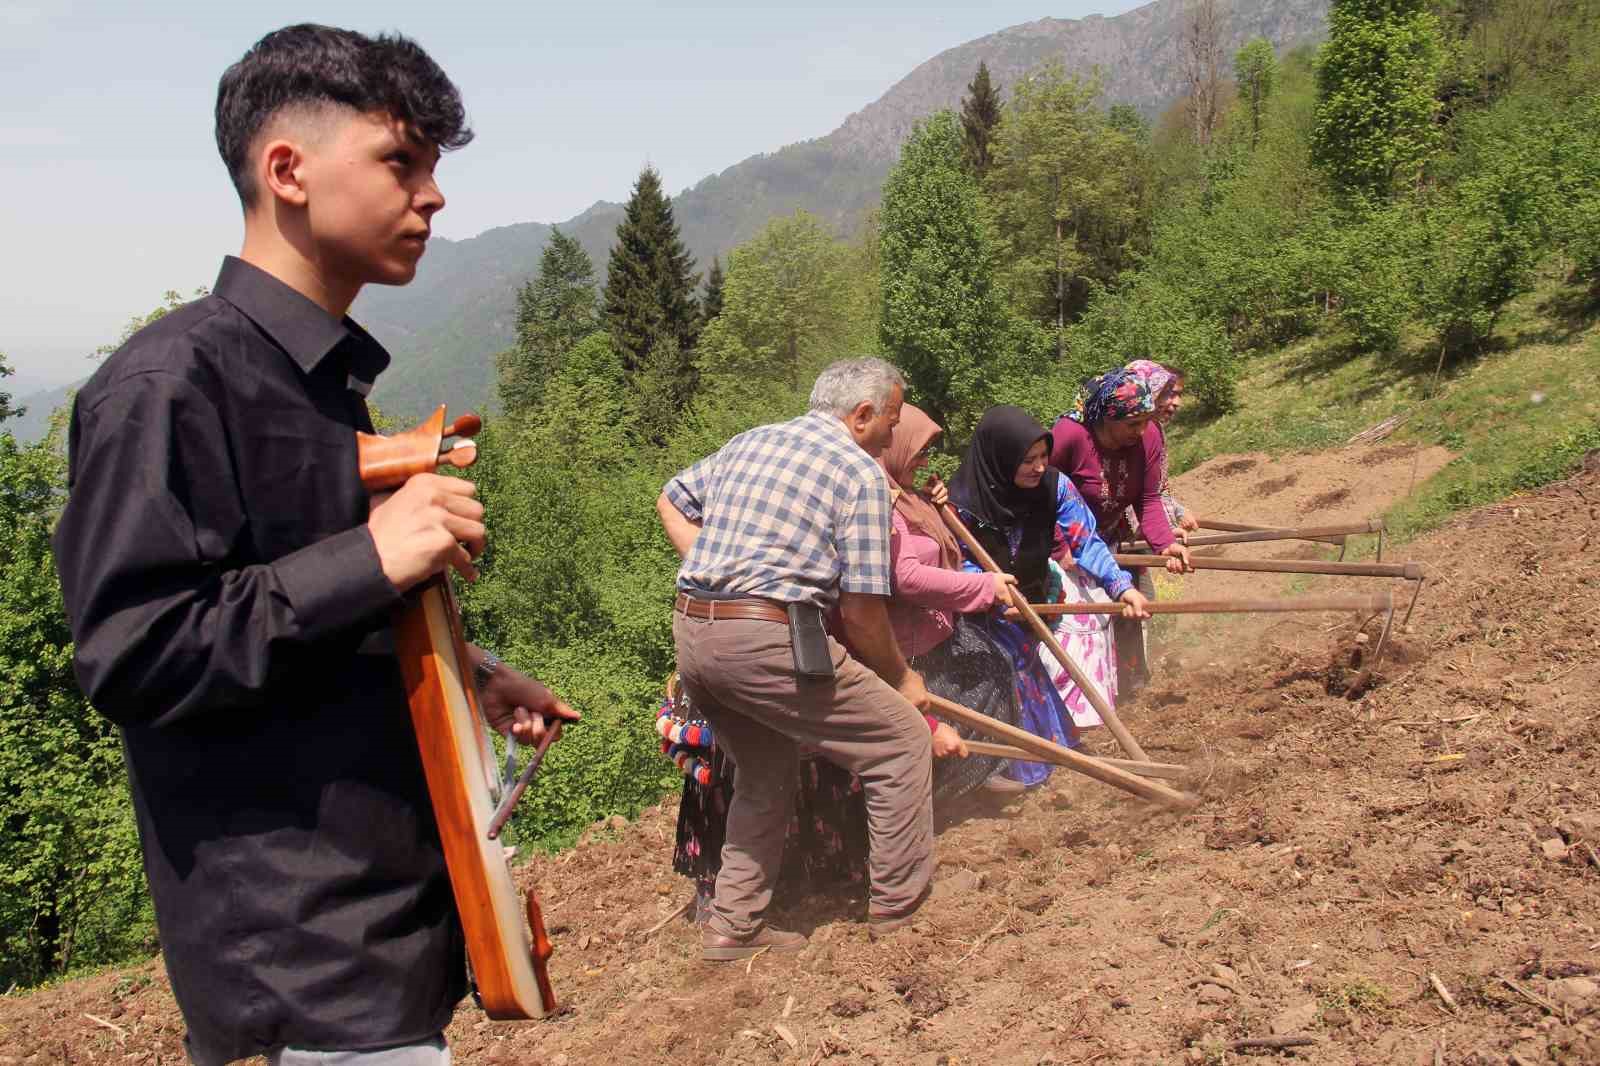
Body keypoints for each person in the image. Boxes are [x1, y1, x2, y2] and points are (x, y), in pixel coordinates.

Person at [51, 25, 578, 1066]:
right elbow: (133, 651)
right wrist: (375, 557)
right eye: (401, 162)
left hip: (384, 930)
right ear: (286, 170)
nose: (433, 196)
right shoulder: (168, 386)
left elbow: (292, 621)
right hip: (297, 965)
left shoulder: (323, 388)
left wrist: (460, 672)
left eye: (433, 168)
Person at [656, 357, 936, 958]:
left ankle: (733, 927)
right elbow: (862, 615)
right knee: (901, 741)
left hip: (693, 634)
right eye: (891, 420)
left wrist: (714, 567)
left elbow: (671, 498)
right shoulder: (857, 473)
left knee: (764, 767)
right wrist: (903, 678)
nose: (894, 433)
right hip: (763, 638)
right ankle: (900, 912)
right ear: (861, 417)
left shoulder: (750, 441)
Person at [947, 407, 1148, 787]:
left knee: (1032, 667)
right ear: (1000, 459)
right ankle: (1005, 767)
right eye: (1028, 461)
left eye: (1044, 457)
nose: (1039, 467)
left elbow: (1085, 539)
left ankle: (1051, 758)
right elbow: (954, 562)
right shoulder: (960, 506)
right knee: (1011, 670)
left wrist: (1121, 586)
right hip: (985, 613)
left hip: (1037, 596)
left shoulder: (1055, 486)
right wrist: (988, 585)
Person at [879, 404, 1026, 799]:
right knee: (930, 715)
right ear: (893, 447)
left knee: (997, 665)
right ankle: (936, 794)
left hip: (939, 626)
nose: (926, 462)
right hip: (906, 643)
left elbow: (942, 552)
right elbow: (905, 577)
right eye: (920, 453)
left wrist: (931, 507)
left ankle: (979, 774)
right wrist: (983, 589)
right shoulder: (882, 506)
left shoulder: (906, 498)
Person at [1049, 370, 1193, 694]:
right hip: (1063, 544)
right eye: (1132, 424)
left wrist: (1165, 544)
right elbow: (1038, 495)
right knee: (1079, 626)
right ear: (1106, 418)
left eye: (1145, 421)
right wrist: (1059, 547)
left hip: (1110, 539)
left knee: (1128, 608)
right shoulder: (1069, 436)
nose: (1141, 431)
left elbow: (1148, 498)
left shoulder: (1150, 436)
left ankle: (1127, 692)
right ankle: (1080, 700)